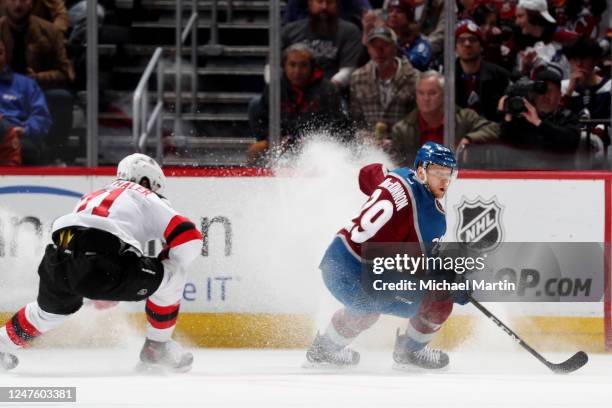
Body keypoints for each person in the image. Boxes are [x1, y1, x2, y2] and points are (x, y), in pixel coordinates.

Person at [0, 153, 203, 372]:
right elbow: (189, 237)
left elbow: (90, 240)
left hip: (57, 259)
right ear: (146, 181)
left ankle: (3, 343)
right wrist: (161, 266)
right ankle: (157, 348)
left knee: (46, 314)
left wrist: (113, 278)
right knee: (174, 277)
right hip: (103, 263)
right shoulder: (147, 195)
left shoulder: (95, 194)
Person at [306, 142, 464, 369]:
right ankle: (410, 353)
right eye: (437, 172)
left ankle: (325, 349)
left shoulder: (397, 176)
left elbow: (367, 174)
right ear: (421, 171)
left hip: (333, 263)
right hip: (356, 277)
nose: (444, 180)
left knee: (367, 306)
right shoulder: (431, 218)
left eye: (448, 173)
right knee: (439, 298)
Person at [0, 0, 75, 163]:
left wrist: (38, 78)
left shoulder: (49, 31)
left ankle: (55, 156)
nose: (18, 4)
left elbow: (66, 73)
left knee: (60, 98)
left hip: (34, 87)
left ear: (33, 3)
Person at [247, 43, 345, 162]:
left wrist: (300, 140)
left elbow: (335, 124)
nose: (297, 71)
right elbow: (262, 119)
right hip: (281, 140)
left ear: (311, 67)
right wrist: (274, 139)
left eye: (303, 65)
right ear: (285, 66)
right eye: (292, 65)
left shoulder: (327, 89)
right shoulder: (274, 87)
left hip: (314, 143)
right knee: (255, 149)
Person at [390, 70, 498, 167]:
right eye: (421, 93)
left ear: (444, 95)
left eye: (432, 93)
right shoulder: (402, 129)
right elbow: (396, 165)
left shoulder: (464, 117)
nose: (426, 98)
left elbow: (494, 129)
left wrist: (469, 139)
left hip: (460, 181)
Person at [498, 63, 581, 168]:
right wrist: (508, 116)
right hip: (524, 176)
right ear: (533, 95)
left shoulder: (568, 117)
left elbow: (569, 141)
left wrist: (538, 123)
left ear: (560, 95)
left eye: (550, 91)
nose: (545, 96)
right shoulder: (522, 117)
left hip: (559, 177)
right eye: (541, 92)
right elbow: (504, 147)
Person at [349, 26, 417, 140]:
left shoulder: (413, 78)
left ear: (395, 47)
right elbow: (356, 119)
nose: (378, 51)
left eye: (384, 45)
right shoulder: (358, 78)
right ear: (368, 49)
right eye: (373, 46)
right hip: (370, 150)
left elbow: (418, 122)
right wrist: (362, 135)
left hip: (405, 148)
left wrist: (397, 141)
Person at [281, 0, 363, 90]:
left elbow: (348, 69)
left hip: (334, 92)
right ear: (310, 3)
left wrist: (327, 89)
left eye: (329, 2)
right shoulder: (290, 31)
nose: (324, 7)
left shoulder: (350, 31)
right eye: (320, 2)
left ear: (337, 5)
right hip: (294, 91)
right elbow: (272, 67)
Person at [0, 37, 52, 165]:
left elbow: (41, 117)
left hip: (16, 136)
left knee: (28, 148)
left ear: (6, 55)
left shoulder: (26, 85)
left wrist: (25, 129)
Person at [454, 20, 511, 122]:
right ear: (455, 48)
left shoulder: (500, 75)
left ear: (481, 46)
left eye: (472, 39)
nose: (467, 44)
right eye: (461, 40)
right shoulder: (446, 77)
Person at [561, 36, 611, 121]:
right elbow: (554, 123)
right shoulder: (562, 88)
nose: (579, 64)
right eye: (574, 59)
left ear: (595, 60)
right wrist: (569, 91)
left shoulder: (609, 87)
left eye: (583, 58)